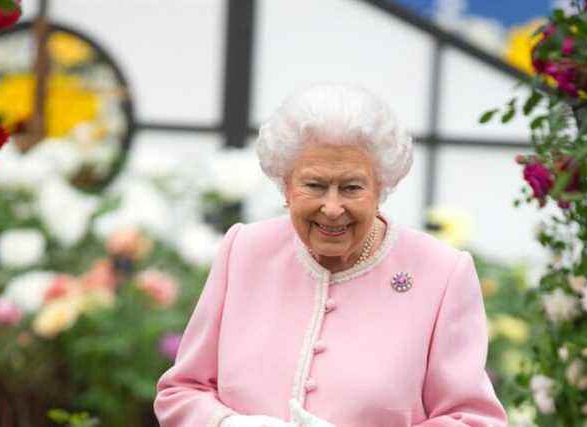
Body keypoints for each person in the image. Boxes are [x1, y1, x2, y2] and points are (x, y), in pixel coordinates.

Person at [154, 83, 508, 427]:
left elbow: (473, 420)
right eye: (315, 185)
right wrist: (227, 424)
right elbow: (182, 392)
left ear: (380, 188)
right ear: (286, 185)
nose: (333, 207)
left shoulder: (442, 273)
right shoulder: (244, 251)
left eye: (352, 187)